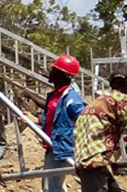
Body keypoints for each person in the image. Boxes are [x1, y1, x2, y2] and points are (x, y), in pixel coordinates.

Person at [27, 54, 86, 192]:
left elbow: (83, 120)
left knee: (85, 182)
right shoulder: (53, 96)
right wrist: (35, 121)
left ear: (61, 74)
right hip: (52, 146)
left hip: (65, 147)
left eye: (53, 70)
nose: (50, 73)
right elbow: (54, 119)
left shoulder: (72, 99)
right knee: (50, 187)